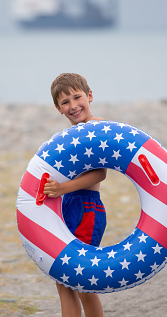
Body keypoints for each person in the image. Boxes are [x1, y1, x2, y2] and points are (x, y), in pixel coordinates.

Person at [42, 73, 106, 317]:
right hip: (68, 207)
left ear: (90, 96)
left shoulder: (96, 127)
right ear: (58, 108)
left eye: (77, 97)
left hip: (87, 209)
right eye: (65, 102)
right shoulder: (71, 136)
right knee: (63, 281)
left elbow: (100, 174)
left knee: (81, 281)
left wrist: (61, 188)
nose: (73, 105)